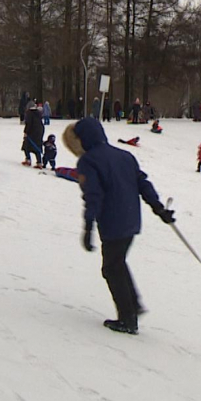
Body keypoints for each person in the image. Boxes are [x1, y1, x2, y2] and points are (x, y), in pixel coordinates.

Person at [63, 117, 173, 335]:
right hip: (132, 221)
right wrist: (159, 209)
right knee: (117, 263)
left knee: (111, 268)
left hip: (113, 222)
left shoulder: (89, 161)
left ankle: (127, 319)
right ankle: (133, 305)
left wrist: (88, 227)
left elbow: (93, 196)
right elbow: (143, 183)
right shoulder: (124, 155)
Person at [22, 102, 45, 167]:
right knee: (37, 147)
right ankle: (39, 162)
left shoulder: (29, 113)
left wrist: (26, 132)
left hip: (32, 132)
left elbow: (28, 123)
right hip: (39, 131)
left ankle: (28, 160)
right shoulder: (38, 113)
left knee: (26, 146)